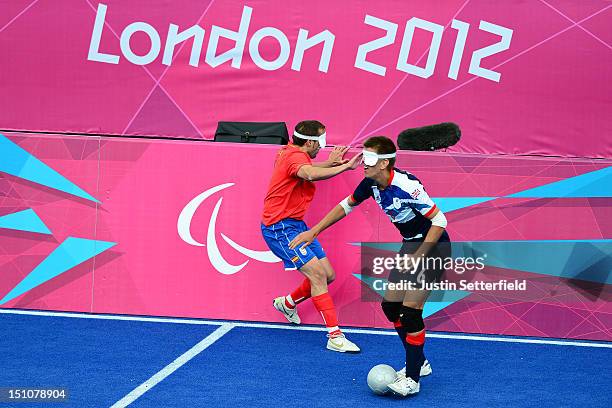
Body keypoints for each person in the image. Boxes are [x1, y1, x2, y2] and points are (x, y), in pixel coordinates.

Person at [289, 136, 450, 396]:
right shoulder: (371, 184)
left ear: (385, 162)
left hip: (433, 247)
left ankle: (412, 379)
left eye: (370, 159)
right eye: (364, 156)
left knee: (410, 312)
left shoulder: (406, 185)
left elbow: (439, 220)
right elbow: (346, 206)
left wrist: (419, 256)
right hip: (410, 244)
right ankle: (418, 361)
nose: (364, 162)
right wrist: (314, 231)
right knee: (391, 307)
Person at [261, 120, 362, 353]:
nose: (322, 148)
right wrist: (345, 168)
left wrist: (331, 162)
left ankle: (287, 304)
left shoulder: (293, 152)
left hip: (296, 225)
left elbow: (308, 167)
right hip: (279, 228)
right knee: (317, 275)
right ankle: (335, 336)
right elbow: (308, 174)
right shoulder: (294, 158)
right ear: (309, 142)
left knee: (327, 275)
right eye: (320, 143)